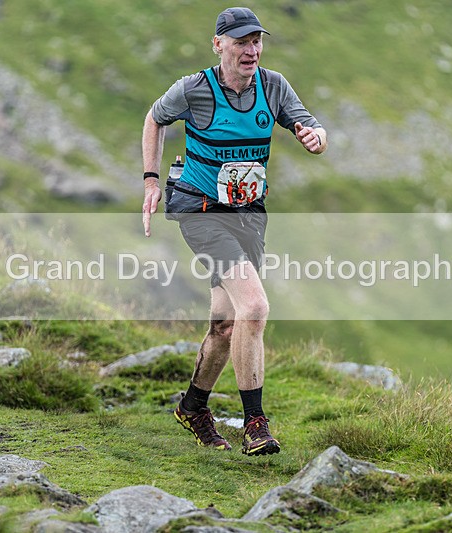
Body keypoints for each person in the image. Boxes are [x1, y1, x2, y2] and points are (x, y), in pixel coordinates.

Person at [141, 7, 327, 456]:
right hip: (201, 210)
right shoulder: (194, 89)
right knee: (256, 307)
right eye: (242, 42)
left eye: (257, 41)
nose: (253, 50)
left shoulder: (273, 85)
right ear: (218, 44)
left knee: (226, 326)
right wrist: (150, 180)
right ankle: (255, 424)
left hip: (249, 213)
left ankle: (193, 406)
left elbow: (310, 124)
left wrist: (316, 136)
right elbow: (154, 119)